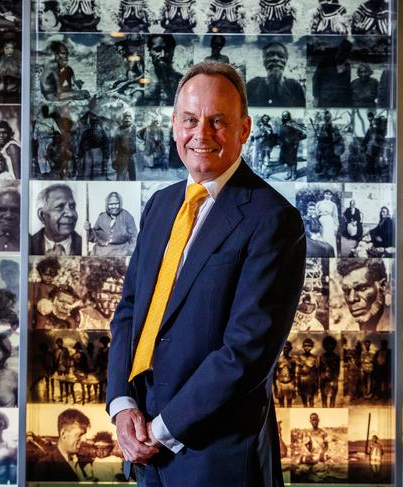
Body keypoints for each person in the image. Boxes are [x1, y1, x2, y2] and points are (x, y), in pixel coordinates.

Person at [107, 61, 305, 486]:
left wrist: (159, 431)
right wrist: (122, 405)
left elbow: (246, 353)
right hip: (145, 453)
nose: (202, 134)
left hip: (216, 458)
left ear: (244, 129)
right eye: (190, 120)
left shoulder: (273, 220)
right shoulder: (161, 205)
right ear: (174, 124)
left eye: (218, 121)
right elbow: (129, 313)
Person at [32, 408, 90, 481]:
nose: (84, 439)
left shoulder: (86, 462)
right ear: (63, 434)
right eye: (80, 435)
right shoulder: (45, 467)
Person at [336, 258, 390, 331]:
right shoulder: (345, 329)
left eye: (362, 289)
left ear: (383, 286)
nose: (351, 299)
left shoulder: (402, 323)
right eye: (346, 291)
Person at [246, 41, 305, 107]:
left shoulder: (295, 87)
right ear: (263, 59)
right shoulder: (252, 85)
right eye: (270, 55)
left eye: (280, 56)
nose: (275, 58)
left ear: (286, 60)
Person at [31, 183, 82, 256]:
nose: (70, 214)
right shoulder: (30, 244)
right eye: (60, 207)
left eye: (72, 206)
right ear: (42, 215)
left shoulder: (83, 245)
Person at [85, 191, 137, 257]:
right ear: (107, 205)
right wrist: (89, 229)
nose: (113, 206)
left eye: (116, 203)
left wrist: (129, 252)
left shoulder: (127, 216)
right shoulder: (101, 217)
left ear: (120, 203)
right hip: (100, 252)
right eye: (110, 204)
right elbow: (94, 238)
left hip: (121, 251)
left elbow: (134, 238)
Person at [142, 34, 182, 106]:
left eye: (167, 49)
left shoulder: (181, 80)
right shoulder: (141, 79)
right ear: (150, 52)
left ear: (173, 51)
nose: (163, 55)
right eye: (157, 50)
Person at [312, 38, 352, 108]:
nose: (344, 54)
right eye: (342, 51)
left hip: (343, 101)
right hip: (326, 100)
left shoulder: (347, 66)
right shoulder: (325, 62)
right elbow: (316, 79)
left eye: (347, 52)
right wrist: (316, 98)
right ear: (338, 50)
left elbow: (347, 84)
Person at [313, 110, 344, 178]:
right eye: (325, 117)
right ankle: (322, 169)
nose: (327, 119)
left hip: (331, 146)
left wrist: (334, 140)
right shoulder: (321, 126)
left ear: (330, 118)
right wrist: (319, 138)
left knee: (330, 157)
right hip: (322, 145)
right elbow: (319, 136)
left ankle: (331, 172)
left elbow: (338, 136)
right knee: (319, 156)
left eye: (328, 117)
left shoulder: (333, 126)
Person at [278, 110, 306, 180]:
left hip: (292, 145)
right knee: (287, 160)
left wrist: (294, 141)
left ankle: (294, 174)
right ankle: (289, 174)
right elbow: (281, 135)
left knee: (292, 160)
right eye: (283, 115)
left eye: (286, 115)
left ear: (289, 115)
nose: (285, 116)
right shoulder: (282, 125)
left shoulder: (293, 124)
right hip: (285, 145)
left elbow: (301, 133)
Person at [112, 111, 137, 180]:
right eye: (125, 117)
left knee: (133, 179)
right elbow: (113, 146)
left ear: (132, 119)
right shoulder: (119, 130)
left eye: (129, 117)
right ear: (123, 119)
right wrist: (114, 159)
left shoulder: (135, 129)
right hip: (122, 157)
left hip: (133, 157)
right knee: (120, 178)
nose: (127, 119)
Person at [273, 341, 296, 407]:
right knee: (281, 403)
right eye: (284, 348)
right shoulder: (278, 360)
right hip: (280, 383)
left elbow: (294, 373)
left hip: (290, 383)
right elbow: (274, 374)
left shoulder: (292, 360)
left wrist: (294, 385)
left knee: (289, 403)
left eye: (287, 348)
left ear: (290, 349)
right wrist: (275, 386)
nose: (286, 349)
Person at [316, 190, 339, 256]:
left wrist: (336, 227)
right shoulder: (319, 203)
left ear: (331, 196)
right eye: (326, 194)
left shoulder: (333, 204)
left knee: (330, 237)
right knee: (322, 237)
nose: (328, 195)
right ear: (324, 195)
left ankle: (331, 254)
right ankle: (323, 254)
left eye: (329, 194)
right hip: (321, 221)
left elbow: (335, 216)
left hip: (330, 221)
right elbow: (316, 214)